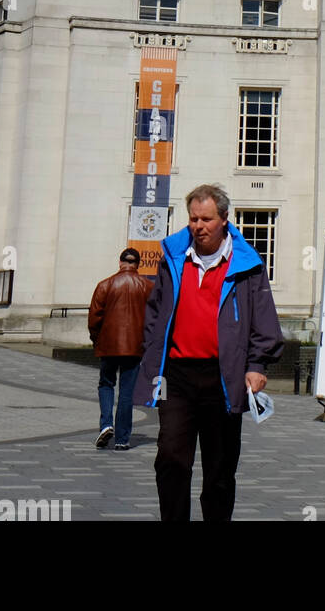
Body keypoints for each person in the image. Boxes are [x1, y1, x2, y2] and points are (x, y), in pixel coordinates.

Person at [134, 184, 284, 521]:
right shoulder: (173, 257)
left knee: (220, 468)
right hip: (176, 376)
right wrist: (151, 353)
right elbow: (155, 312)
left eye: (206, 219)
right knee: (170, 458)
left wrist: (257, 364)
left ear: (224, 219)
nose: (198, 226)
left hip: (224, 377)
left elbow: (264, 319)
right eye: (193, 219)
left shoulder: (248, 264)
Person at [88, 248, 154, 450]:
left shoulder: (105, 285)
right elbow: (155, 318)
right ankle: (122, 439)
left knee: (106, 384)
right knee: (127, 392)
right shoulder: (147, 286)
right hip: (134, 347)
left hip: (109, 345)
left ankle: (106, 424)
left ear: (120, 262)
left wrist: (96, 340)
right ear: (138, 264)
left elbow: (94, 318)